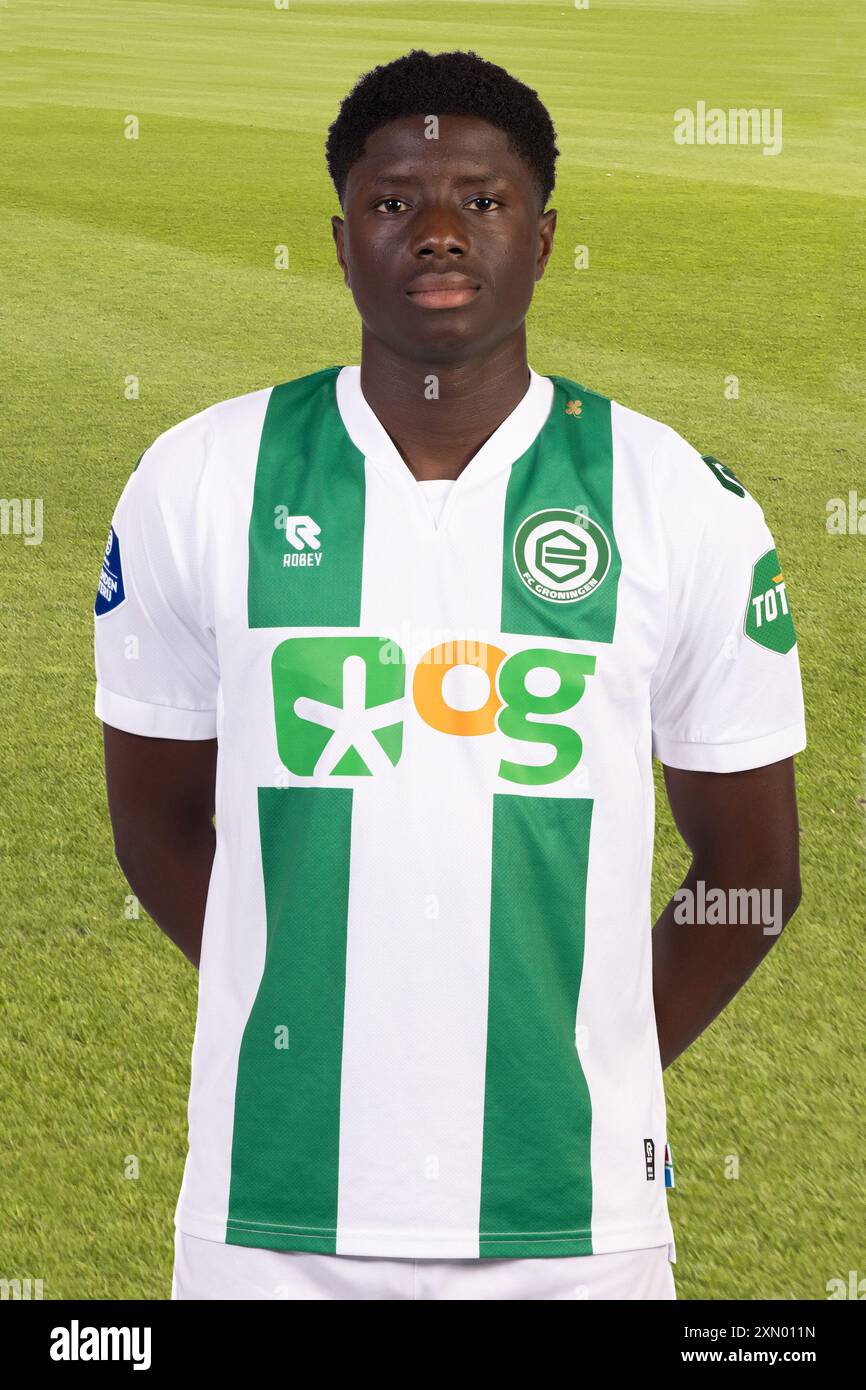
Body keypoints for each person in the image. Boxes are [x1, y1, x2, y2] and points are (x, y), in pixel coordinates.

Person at [94, 49, 805, 1301]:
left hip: (575, 1228)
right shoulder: (200, 477)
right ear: (337, 237)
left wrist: (588, 1057)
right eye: (391, 201)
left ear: (540, 237)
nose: (435, 231)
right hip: (271, 1217)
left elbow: (751, 875)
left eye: (478, 200)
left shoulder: (674, 500)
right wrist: (321, 1020)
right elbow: (156, 830)